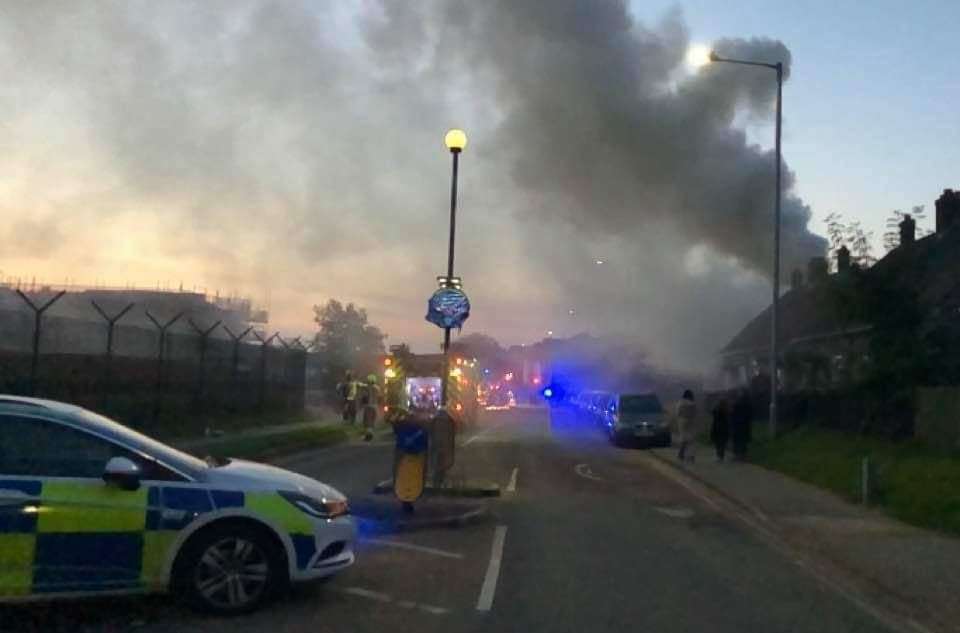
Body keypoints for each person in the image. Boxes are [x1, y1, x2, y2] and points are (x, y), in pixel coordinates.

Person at [675, 389, 698, 463]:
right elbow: (695, 413)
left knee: (683, 437)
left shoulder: (680, 403)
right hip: (691, 421)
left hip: (682, 421)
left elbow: (678, 412)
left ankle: (681, 454)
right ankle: (691, 456)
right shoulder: (693, 403)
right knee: (691, 439)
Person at [731, 389, 754, 461]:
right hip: (745, 424)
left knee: (737, 440)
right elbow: (750, 414)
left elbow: (733, 414)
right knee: (743, 440)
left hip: (738, 424)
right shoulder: (749, 403)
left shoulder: (737, 403)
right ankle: (743, 455)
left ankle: (737, 455)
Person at [360, 374, 381, 441]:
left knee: (367, 421)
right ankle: (370, 434)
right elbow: (380, 398)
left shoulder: (367, 388)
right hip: (375, 406)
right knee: (372, 421)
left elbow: (364, 397)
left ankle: (368, 435)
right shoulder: (377, 388)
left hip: (368, 406)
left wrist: (362, 403)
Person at [710, 397, 731, 462]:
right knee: (722, 442)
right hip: (724, 428)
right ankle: (721, 455)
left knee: (718, 443)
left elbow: (713, 414)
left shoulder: (717, 409)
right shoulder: (726, 410)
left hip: (717, 427)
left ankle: (719, 456)